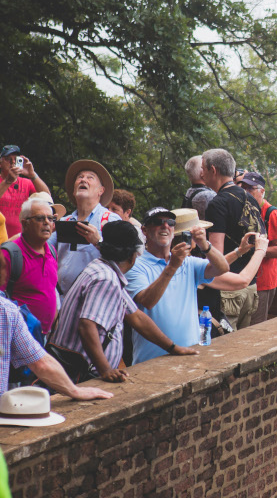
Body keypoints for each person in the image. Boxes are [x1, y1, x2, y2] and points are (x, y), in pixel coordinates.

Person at [48, 221, 198, 382]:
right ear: (133, 255)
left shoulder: (103, 269)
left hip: (74, 367)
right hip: (78, 372)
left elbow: (136, 317)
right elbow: (87, 325)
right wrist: (105, 369)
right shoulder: (105, 279)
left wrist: (173, 348)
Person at [0, 252, 113, 400]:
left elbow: (40, 362)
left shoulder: (7, 312)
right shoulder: (6, 311)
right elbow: (40, 363)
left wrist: (75, 391)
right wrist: (74, 391)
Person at [125, 207, 228, 364]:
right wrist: (172, 267)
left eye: (170, 222)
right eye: (158, 222)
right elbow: (147, 301)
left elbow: (222, 268)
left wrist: (204, 245)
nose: (165, 226)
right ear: (145, 230)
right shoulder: (135, 265)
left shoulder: (187, 262)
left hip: (191, 354)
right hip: (151, 361)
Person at [201, 149, 265, 330]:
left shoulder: (218, 203)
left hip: (229, 289)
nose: (201, 174)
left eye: (203, 169)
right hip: (250, 287)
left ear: (213, 170)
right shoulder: (250, 198)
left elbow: (216, 256)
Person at [49, 160, 121, 294]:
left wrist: (98, 242)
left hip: (93, 298)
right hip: (61, 299)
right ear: (74, 189)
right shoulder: (64, 221)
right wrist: (44, 233)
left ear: (101, 191)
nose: (83, 180)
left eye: (90, 177)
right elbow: (43, 250)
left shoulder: (110, 220)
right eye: (80, 177)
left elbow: (122, 260)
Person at [0, 197, 59, 334]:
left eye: (50, 219)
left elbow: (50, 291)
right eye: (39, 218)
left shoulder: (51, 251)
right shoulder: (9, 254)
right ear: (25, 224)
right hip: (17, 336)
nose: (46, 223)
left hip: (45, 335)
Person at [239, 171, 277, 323]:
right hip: (244, 279)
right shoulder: (242, 209)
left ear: (262, 191)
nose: (246, 192)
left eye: (251, 189)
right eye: (243, 188)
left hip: (263, 281)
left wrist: (255, 250)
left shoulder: (271, 213)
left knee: (255, 326)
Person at [0, 145, 50, 238]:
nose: (13, 162)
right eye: (8, 159)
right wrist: (8, 181)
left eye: (16, 159)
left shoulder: (27, 183)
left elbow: (47, 198)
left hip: (21, 240)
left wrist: (32, 174)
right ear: (1, 163)